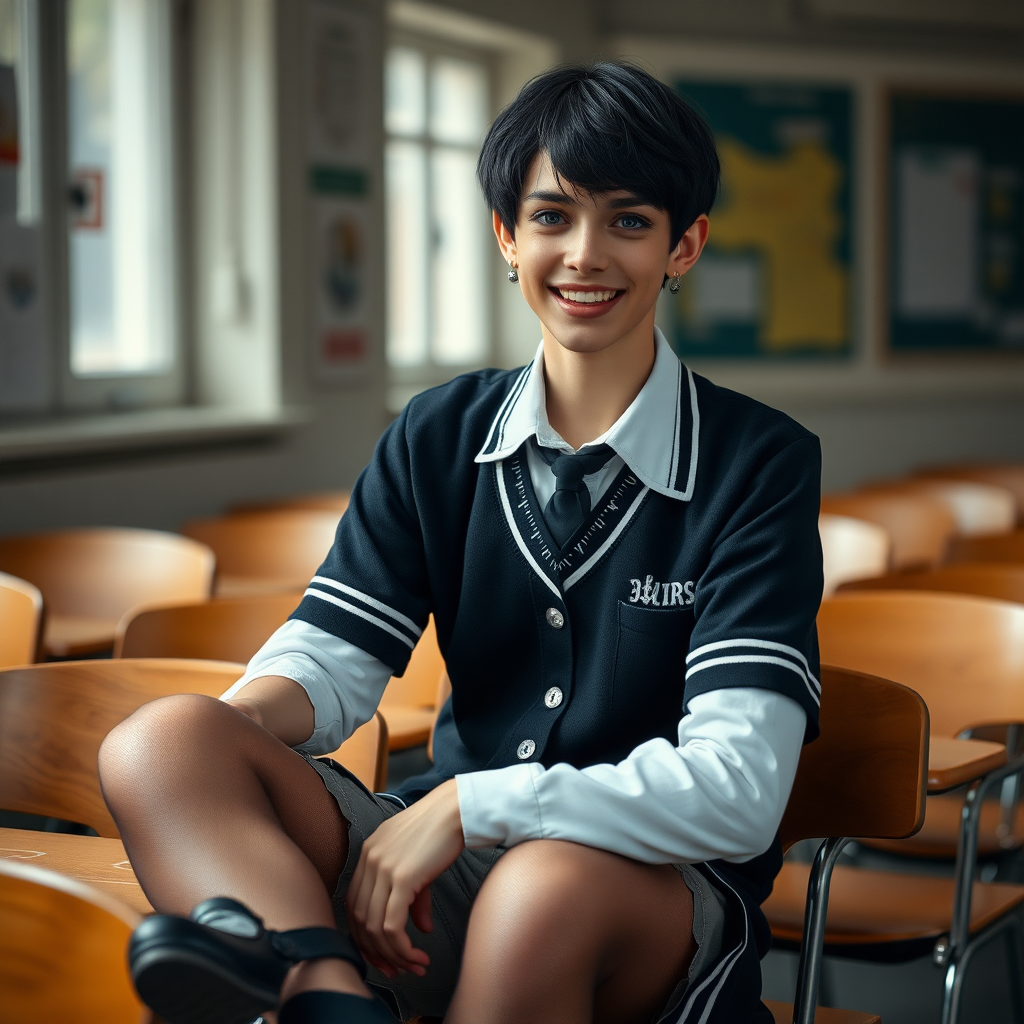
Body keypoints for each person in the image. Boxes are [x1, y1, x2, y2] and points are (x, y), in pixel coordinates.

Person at [99, 61, 823, 1024]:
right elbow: (328, 665)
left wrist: (475, 805)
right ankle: (324, 992)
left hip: (640, 888)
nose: (585, 255)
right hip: (441, 863)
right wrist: (230, 752)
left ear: (684, 246)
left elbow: (736, 794)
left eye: (631, 222)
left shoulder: (757, 461)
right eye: (553, 216)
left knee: (542, 889)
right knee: (161, 741)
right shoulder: (438, 432)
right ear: (505, 235)